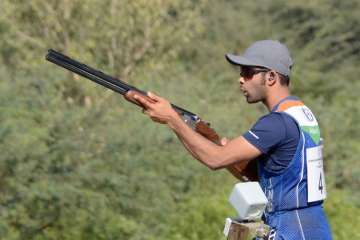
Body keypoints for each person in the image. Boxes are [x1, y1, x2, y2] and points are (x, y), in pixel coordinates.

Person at [133, 40, 332, 239]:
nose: (241, 80)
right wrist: (224, 150)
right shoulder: (299, 113)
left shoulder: (277, 123)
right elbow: (273, 175)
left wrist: (171, 119)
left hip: (292, 229)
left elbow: (215, 159)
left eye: (247, 72)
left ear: (271, 76)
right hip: (307, 225)